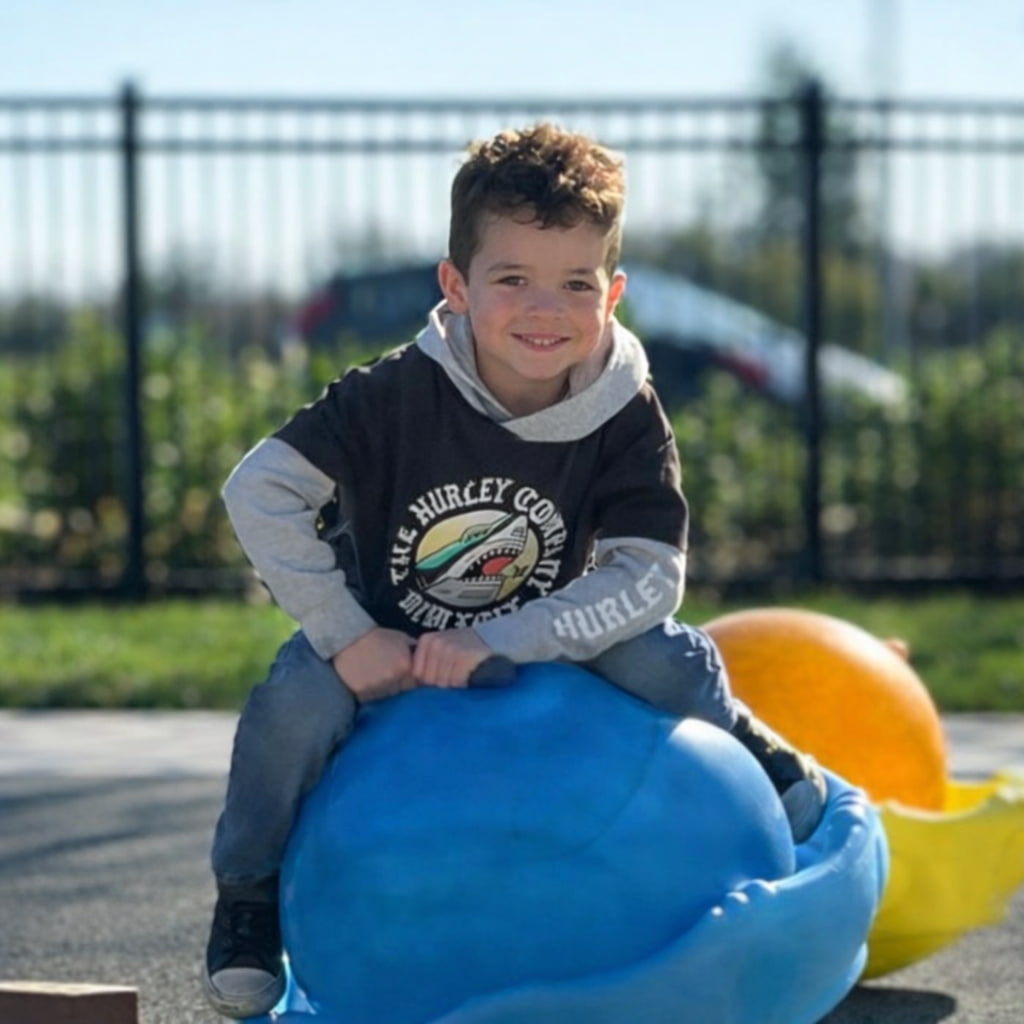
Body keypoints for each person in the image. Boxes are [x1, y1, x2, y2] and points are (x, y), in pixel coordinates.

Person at [202, 122, 827, 1019]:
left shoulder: (625, 408)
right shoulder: (388, 397)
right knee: (292, 707)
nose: (546, 309)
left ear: (611, 294)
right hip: (390, 638)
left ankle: (747, 741)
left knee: (657, 658)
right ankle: (250, 897)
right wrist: (348, 636)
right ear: (455, 287)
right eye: (512, 280)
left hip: (547, 632)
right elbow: (257, 491)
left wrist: (508, 635)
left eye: (575, 283)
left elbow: (652, 573)